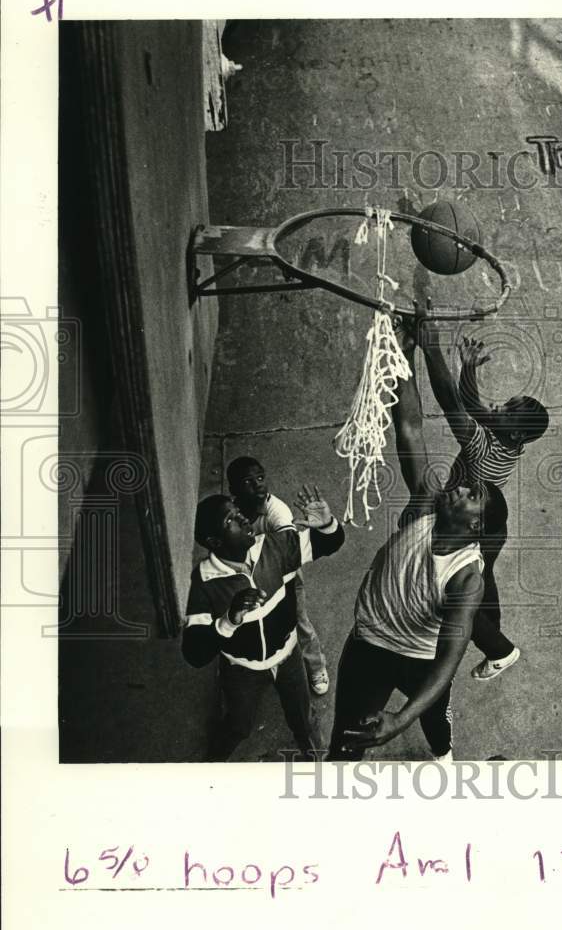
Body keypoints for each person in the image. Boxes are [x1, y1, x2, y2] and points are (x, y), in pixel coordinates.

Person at [328, 320, 505, 761]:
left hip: (419, 658)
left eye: (472, 495)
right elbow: (409, 426)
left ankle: (442, 752)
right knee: (347, 740)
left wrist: (399, 719)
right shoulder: (426, 504)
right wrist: (405, 356)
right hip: (369, 643)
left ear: (474, 529)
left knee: (431, 712)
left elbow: (448, 661)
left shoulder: (467, 580)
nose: (462, 486)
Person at [415, 301, 549, 682]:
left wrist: (431, 347)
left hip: (472, 526)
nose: (496, 406)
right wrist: (470, 369)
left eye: (506, 409)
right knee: (484, 574)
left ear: (516, 431)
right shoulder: (511, 440)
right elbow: (473, 404)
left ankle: (500, 648)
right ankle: (498, 633)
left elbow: (451, 403)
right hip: (489, 524)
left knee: (457, 595)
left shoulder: (483, 448)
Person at [182, 485, 344, 760]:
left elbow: (330, 542)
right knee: (239, 725)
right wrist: (228, 620)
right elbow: (195, 654)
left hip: (289, 655)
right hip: (243, 669)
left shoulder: (272, 547)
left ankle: (317, 762)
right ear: (214, 542)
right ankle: (209, 768)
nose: (244, 519)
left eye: (237, 512)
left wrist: (327, 525)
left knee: (303, 719)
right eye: (230, 520)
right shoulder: (204, 582)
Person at [226, 456, 330, 696]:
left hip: (286, 579)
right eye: (248, 482)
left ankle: (316, 666)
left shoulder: (277, 511)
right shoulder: (231, 513)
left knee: (298, 622)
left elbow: (288, 549)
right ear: (234, 490)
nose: (258, 485)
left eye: (260, 478)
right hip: (248, 578)